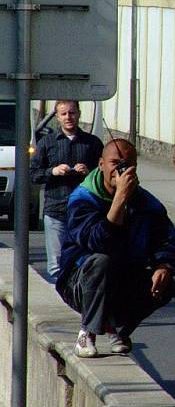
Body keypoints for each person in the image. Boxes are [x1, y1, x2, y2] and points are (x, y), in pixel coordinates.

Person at [56, 138, 175, 358]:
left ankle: (119, 330)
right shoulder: (83, 199)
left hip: (123, 277)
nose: (120, 169)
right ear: (101, 164)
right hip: (80, 282)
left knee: (166, 284)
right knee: (102, 261)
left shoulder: (145, 202)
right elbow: (99, 242)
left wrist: (164, 265)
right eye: (115, 163)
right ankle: (87, 332)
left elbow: (167, 239)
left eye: (127, 164)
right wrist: (120, 198)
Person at [30, 100, 104, 281]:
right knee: (56, 265)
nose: (68, 117)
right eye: (63, 114)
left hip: (85, 213)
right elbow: (32, 174)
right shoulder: (47, 142)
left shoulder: (92, 143)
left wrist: (90, 173)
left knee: (85, 261)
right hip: (56, 210)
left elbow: (105, 176)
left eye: (71, 113)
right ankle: (62, 301)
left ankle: (79, 296)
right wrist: (53, 171)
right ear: (57, 117)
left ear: (79, 114)